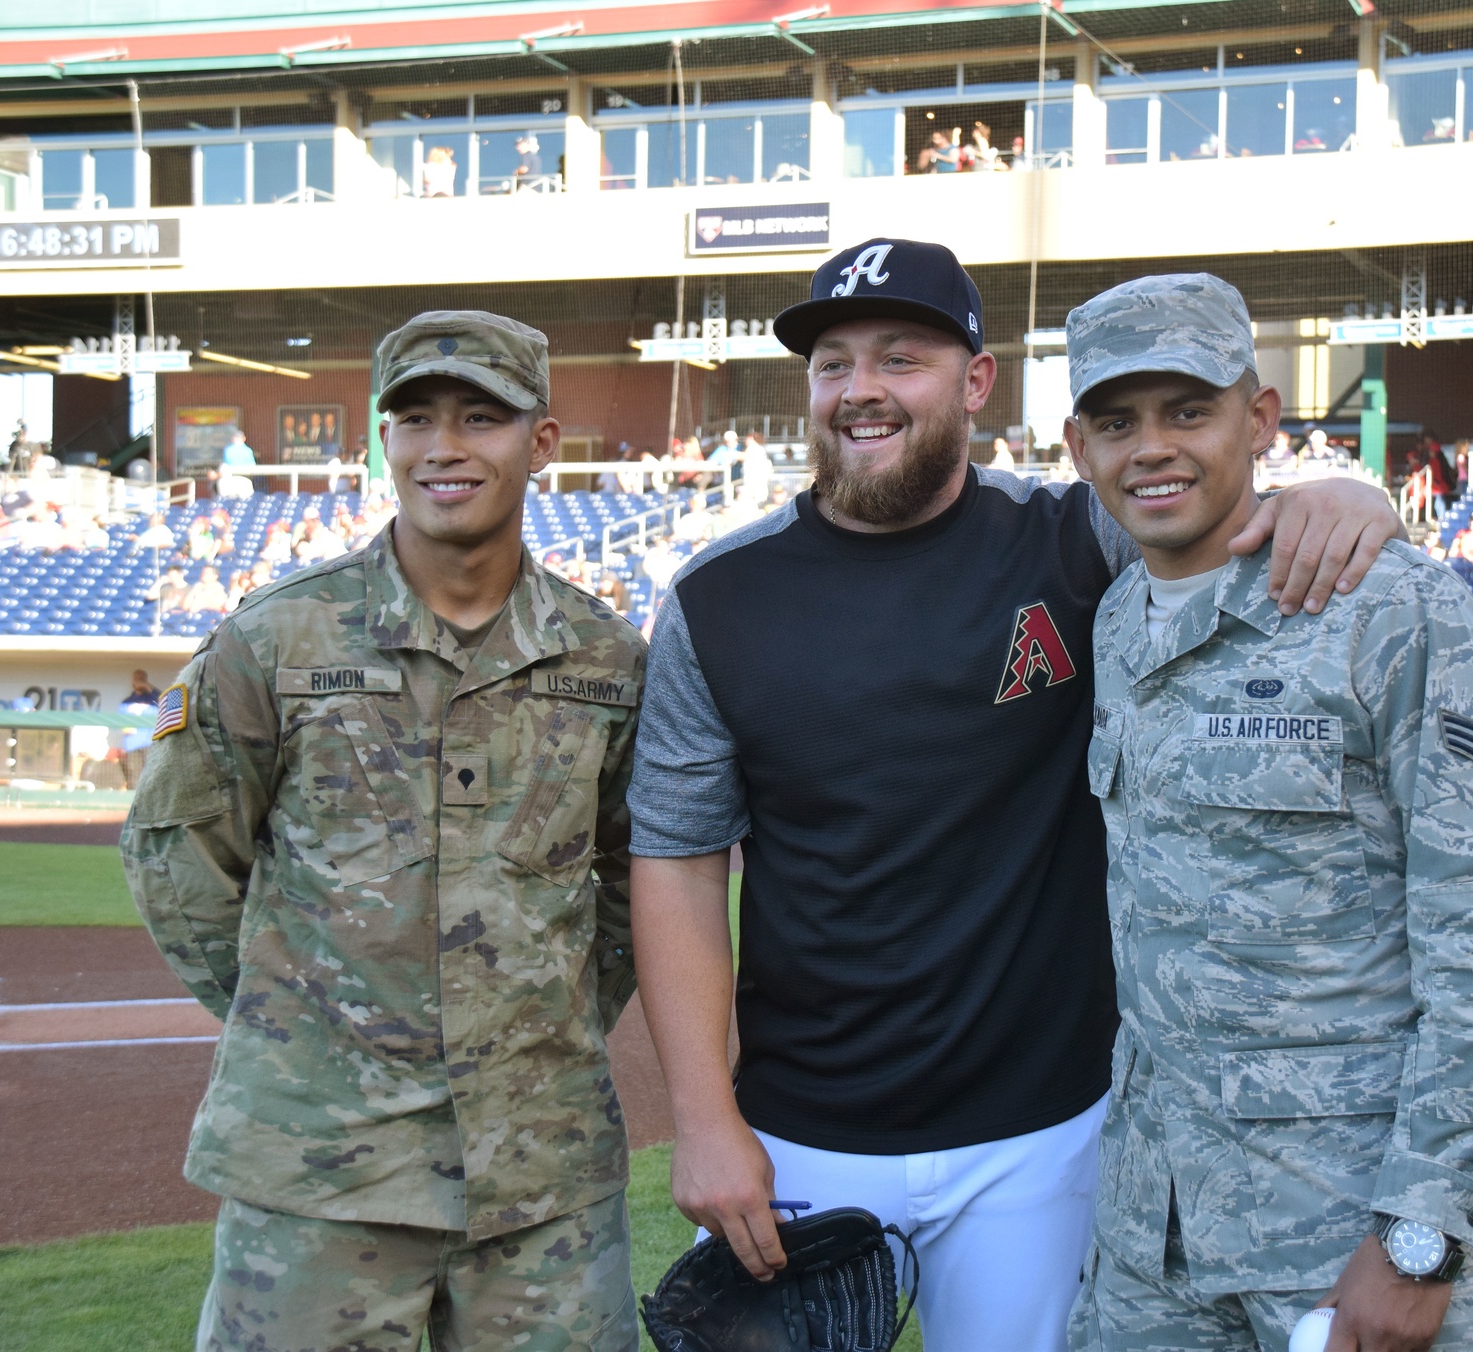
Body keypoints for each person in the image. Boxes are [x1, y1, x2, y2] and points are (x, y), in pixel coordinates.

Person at [625, 239, 1402, 1352]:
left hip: (1044, 1129)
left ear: (976, 382)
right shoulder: (717, 597)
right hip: (802, 1128)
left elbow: (1210, 497)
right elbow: (680, 862)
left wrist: (1342, 488)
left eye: (900, 357)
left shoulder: (1073, 539)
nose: (861, 391)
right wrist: (701, 1117)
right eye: (833, 364)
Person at [1059, 273, 1473, 1352]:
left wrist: (1421, 1233)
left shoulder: (1388, 607)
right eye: (1116, 423)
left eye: (1187, 411)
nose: (1149, 447)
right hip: (1148, 1236)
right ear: (1077, 449)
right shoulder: (1115, 619)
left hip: (1343, 1221)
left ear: (1259, 419)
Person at [121, 310, 649, 1350]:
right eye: (413, 418)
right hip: (318, 1173)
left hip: (540, 1179)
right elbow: (174, 852)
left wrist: (540, 1026)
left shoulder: (607, 660)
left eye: (481, 416)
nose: (442, 446)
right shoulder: (277, 639)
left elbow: (642, 880)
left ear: (540, 440)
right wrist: (300, 1021)